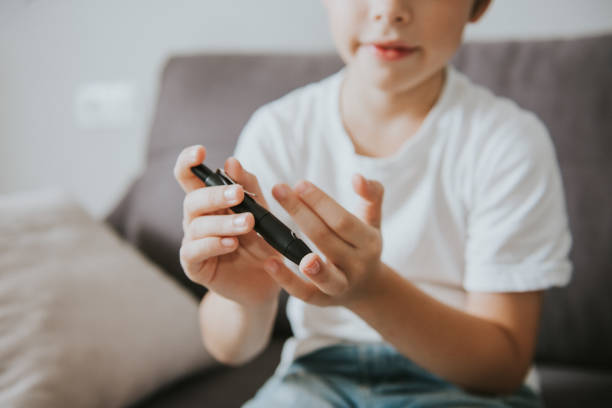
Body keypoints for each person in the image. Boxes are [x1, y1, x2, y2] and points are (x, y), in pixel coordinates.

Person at [173, 0, 572, 406]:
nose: (389, 9)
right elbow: (229, 348)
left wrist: (372, 290)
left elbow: (502, 368)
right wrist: (248, 296)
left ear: (477, 5)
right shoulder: (280, 130)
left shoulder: (508, 142)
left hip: (461, 387)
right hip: (318, 378)